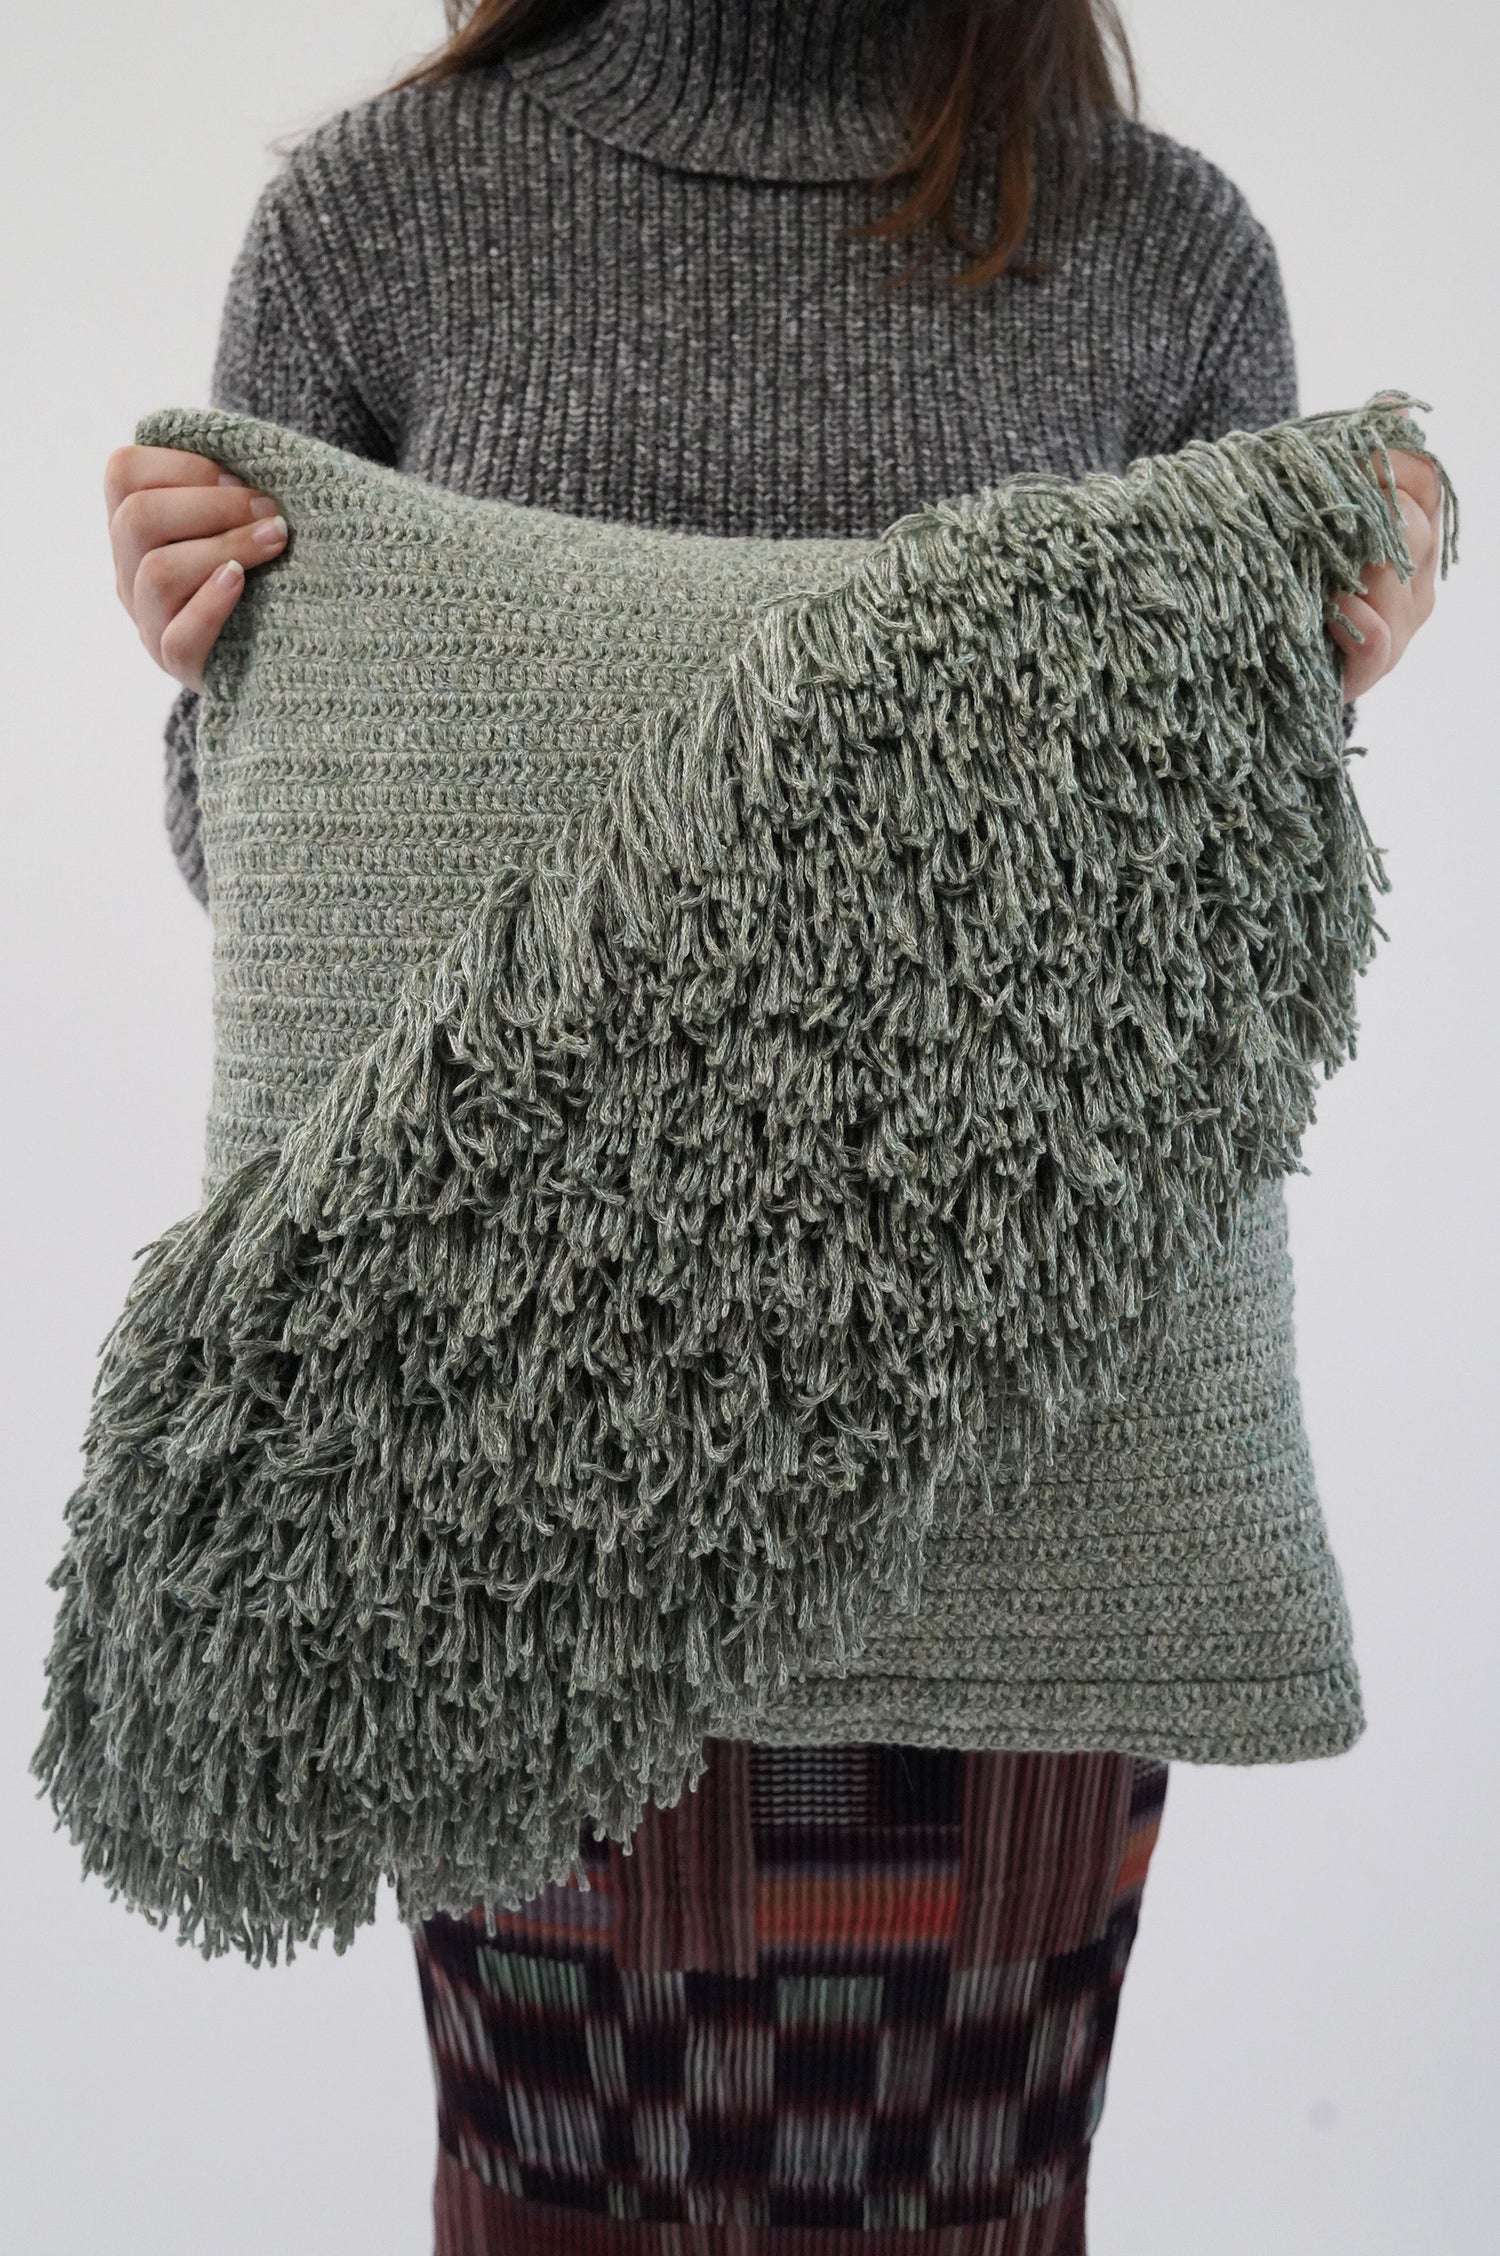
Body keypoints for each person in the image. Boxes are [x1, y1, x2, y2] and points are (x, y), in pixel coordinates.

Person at [100, 4, 1443, 2248]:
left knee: (964, 2201)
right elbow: (267, 892)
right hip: (512, 1498)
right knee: (555, 2199)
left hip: (1016, 1467)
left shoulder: (1162, 247)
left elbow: (1204, 933)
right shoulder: (375, 220)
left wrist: (1345, 633)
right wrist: (225, 658)